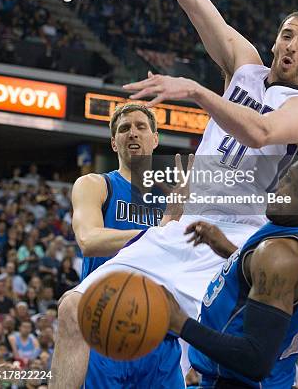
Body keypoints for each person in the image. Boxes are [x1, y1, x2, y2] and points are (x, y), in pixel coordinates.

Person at [51, 0, 298, 389]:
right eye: (287, 33)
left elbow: (261, 130)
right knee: (74, 308)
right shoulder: (244, 66)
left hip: (236, 243)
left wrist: (197, 91)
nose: (291, 44)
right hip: (181, 229)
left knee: (196, 361)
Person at [165, 152, 298, 388]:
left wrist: (179, 322)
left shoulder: (280, 256)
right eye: (288, 177)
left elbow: (254, 361)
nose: (282, 192)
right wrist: (232, 251)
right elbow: (281, 282)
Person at [51, 103, 192, 389]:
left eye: (141, 127)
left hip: (161, 336)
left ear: (155, 139)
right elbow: (89, 240)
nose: (133, 133)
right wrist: (160, 233)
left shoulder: (176, 199)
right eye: (124, 129)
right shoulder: (95, 184)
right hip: (107, 329)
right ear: (114, 143)